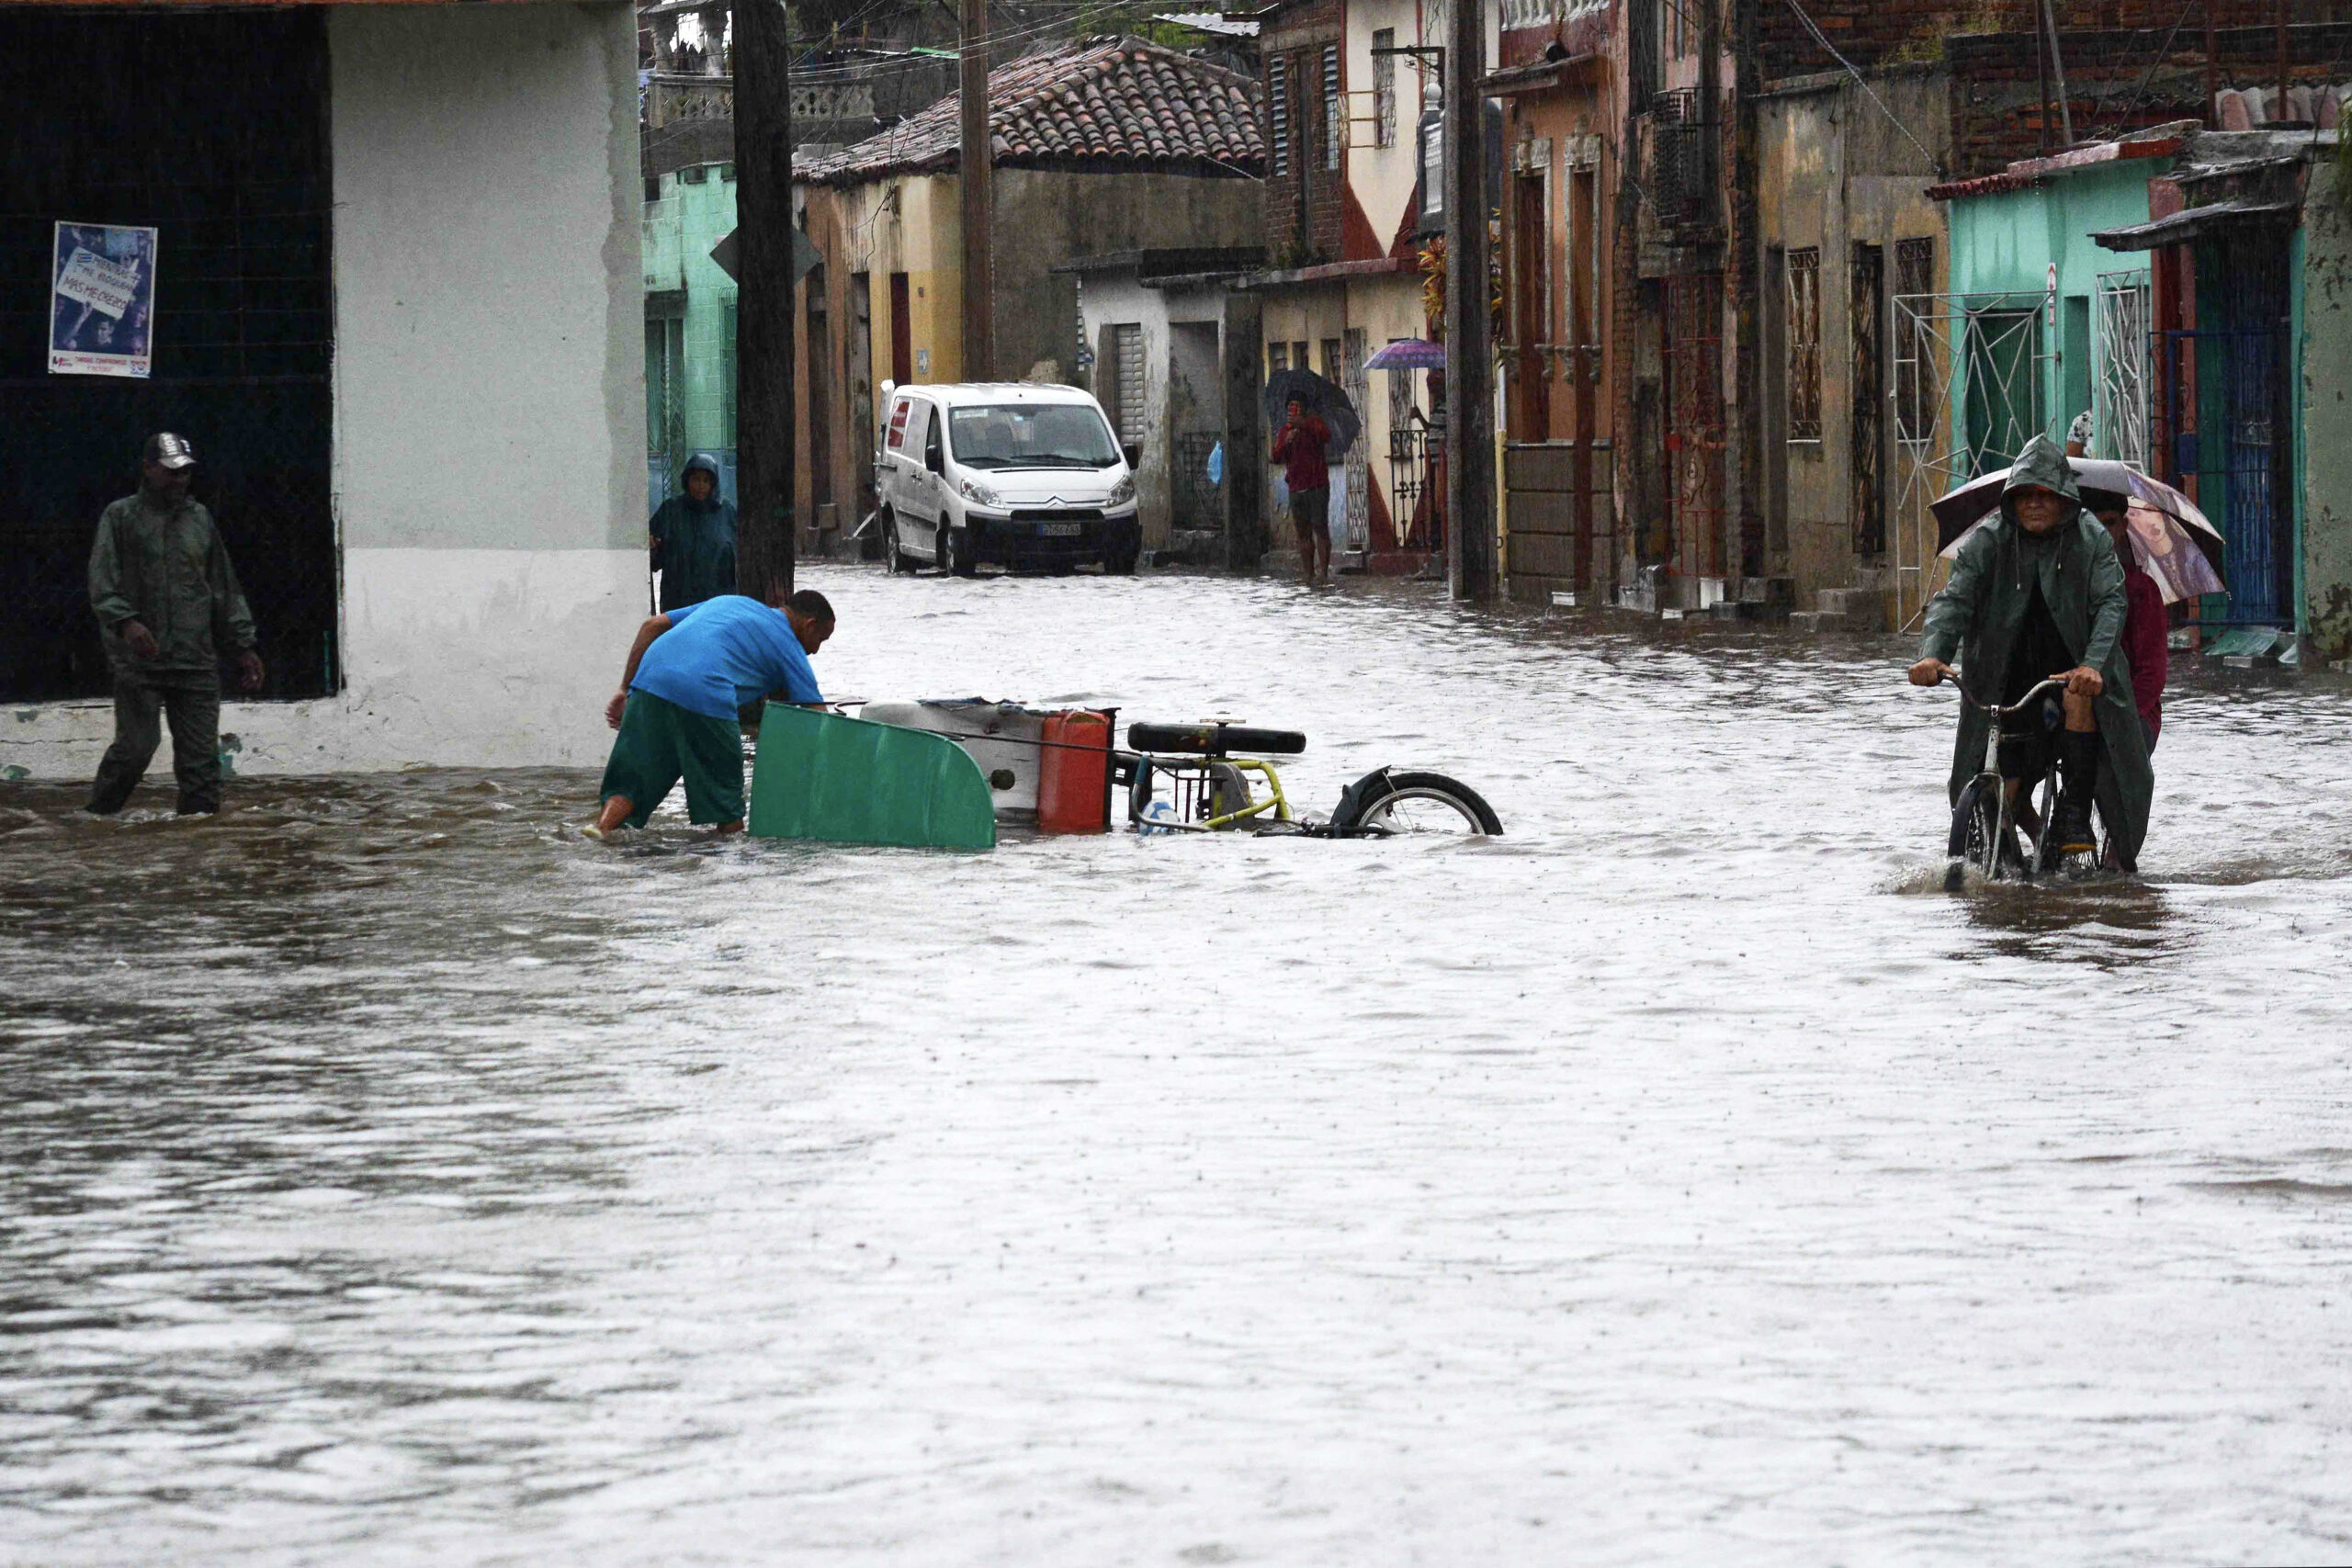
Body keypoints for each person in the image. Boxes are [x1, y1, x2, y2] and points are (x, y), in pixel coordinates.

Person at [1907, 434, 2154, 872]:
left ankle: (2075, 813)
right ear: (2011, 501)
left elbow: (2110, 605)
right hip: (2007, 674)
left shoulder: (2091, 539)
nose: (2034, 505)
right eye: (2024, 496)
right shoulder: (1989, 540)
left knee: (2089, 716)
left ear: (2063, 498)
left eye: (2045, 495)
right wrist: (1933, 654)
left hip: (2075, 671)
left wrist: (2093, 665)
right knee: (1998, 771)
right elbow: (1954, 598)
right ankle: (2006, 858)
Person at [85, 432, 265, 817]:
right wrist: (127, 623)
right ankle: (97, 818)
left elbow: (222, 586)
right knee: (135, 749)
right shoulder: (120, 516)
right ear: (148, 469)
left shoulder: (200, 519)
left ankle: (197, 843)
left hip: (195, 659)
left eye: (185, 472)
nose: (179, 480)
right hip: (139, 661)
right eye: (170, 472)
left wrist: (242, 644)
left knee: (201, 765)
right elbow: (102, 583)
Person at [584, 587, 835, 839]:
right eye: (821, 640)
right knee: (728, 807)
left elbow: (652, 625)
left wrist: (624, 688)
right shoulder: (788, 643)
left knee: (631, 782)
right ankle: (730, 869)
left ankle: (602, 831)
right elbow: (820, 716)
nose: (815, 651)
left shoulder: (730, 603)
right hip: (707, 692)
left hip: (650, 681)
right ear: (809, 625)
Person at [648, 452, 738, 612]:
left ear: (713, 484)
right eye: (695, 479)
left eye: (706, 480)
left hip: (716, 602)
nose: (700, 486)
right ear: (687, 480)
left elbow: (737, 559)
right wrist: (653, 547)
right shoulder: (671, 511)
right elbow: (652, 557)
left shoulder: (726, 513)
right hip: (678, 602)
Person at [1272, 399, 1331, 585]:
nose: (1292, 413)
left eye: (1295, 409)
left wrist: (1305, 426)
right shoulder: (1284, 432)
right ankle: (1308, 573)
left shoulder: (1314, 423)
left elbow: (1326, 436)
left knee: (1320, 528)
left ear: (1303, 410)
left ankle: (1324, 572)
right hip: (1296, 488)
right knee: (1303, 532)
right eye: (1289, 410)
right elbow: (1275, 457)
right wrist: (1286, 442)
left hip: (1317, 485)